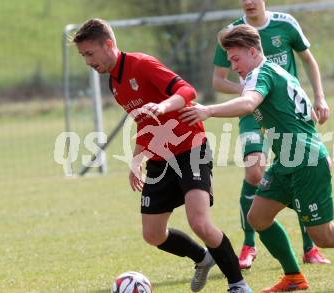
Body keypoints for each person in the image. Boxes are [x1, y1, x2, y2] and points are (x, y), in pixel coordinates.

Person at [180, 24, 334, 292]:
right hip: (287, 160)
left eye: (235, 59)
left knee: (324, 235)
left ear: (252, 51)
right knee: (257, 217)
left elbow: (248, 104)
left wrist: (208, 111)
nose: (233, 67)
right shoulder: (279, 72)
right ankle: (293, 277)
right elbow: (303, 118)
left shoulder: (262, 74)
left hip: (304, 160)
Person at [73, 18, 252, 293]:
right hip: (159, 160)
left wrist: (165, 104)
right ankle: (202, 259)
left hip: (190, 148)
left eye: (89, 53)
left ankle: (238, 284)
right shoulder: (114, 83)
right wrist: (136, 159)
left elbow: (186, 91)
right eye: (83, 56)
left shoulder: (141, 64)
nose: (87, 61)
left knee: (200, 222)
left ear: (108, 44)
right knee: (153, 234)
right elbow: (144, 123)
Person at [212, 0, 330, 269]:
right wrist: (250, 92)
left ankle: (309, 248)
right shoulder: (232, 33)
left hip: (285, 110)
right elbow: (217, 80)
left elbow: (308, 60)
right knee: (254, 173)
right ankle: (249, 244)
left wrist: (319, 98)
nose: (248, 2)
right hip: (252, 110)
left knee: (299, 166)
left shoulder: (285, 24)